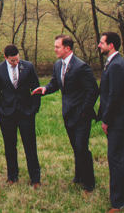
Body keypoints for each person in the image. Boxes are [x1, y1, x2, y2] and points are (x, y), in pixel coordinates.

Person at [32, 35, 98, 194]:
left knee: (82, 148)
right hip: (68, 114)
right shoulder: (57, 65)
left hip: (82, 115)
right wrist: (45, 89)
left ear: (67, 48)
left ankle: (89, 184)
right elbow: (55, 83)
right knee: (76, 147)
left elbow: (94, 91)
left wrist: (83, 111)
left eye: (57, 47)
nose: (54, 49)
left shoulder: (81, 67)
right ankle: (79, 177)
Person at [0, 44, 41, 188]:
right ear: (5, 58)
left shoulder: (29, 67)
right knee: (10, 146)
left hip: (26, 113)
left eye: (17, 59)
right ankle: (12, 176)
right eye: (12, 60)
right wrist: (0, 109)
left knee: (30, 146)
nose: (16, 62)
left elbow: (36, 88)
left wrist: (34, 109)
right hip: (7, 114)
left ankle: (35, 178)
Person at [97, 32, 124, 212]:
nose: (99, 45)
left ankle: (118, 204)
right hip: (117, 119)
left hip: (117, 121)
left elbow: (114, 97)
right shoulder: (113, 63)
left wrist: (106, 120)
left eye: (102, 43)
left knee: (116, 160)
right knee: (123, 158)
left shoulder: (117, 65)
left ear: (111, 45)